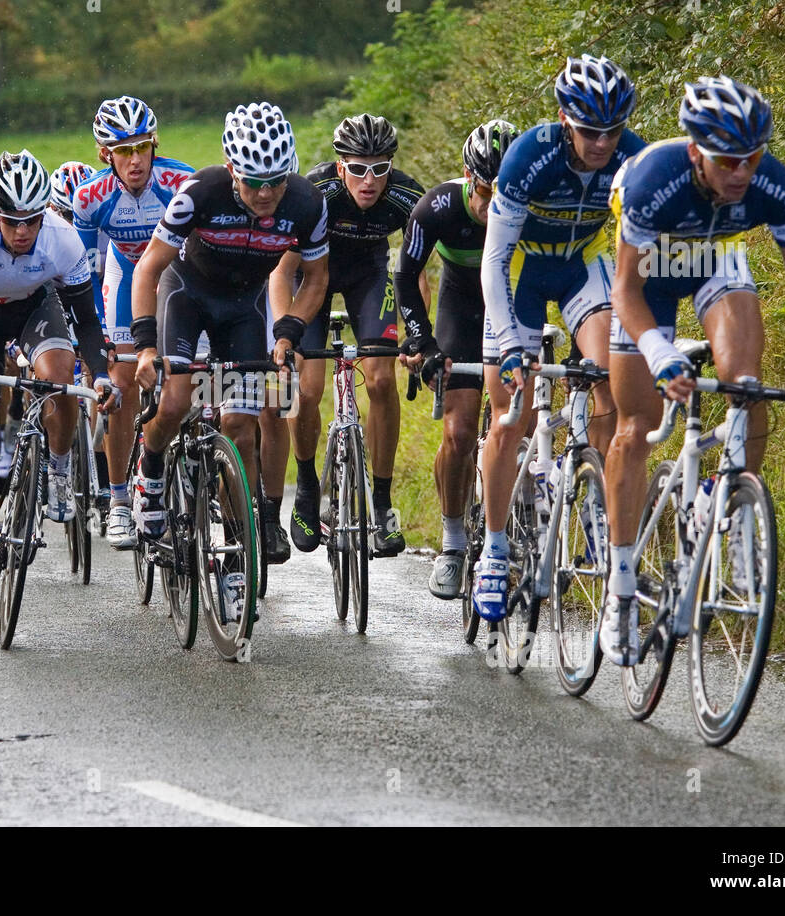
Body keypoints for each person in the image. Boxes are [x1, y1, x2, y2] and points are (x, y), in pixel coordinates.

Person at [600, 75, 785, 665]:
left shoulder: (775, 186)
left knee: (747, 384)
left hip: (717, 259)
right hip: (649, 273)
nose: (741, 173)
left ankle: (731, 505)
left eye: (752, 157)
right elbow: (625, 290)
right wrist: (661, 356)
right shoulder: (651, 180)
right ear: (696, 151)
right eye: (726, 161)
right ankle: (619, 595)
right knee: (635, 427)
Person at [131, 101, 329, 623]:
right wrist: (147, 345)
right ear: (232, 167)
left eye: (276, 182)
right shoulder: (198, 193)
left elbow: (317, 278)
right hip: (187, 294)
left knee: (242, 427)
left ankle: (239, 565)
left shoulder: (307, 204)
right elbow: (150, 267)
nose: (266, 195)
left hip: (244, 308)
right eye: (254, 182)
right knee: (175, 400)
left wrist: (288, 333)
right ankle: (150, 473)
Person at [474, 54, 645, 622]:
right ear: (564, 120)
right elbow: (493, 259)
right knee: (511, 413)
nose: (602, 143)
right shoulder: (529, 156)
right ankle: (494, 553)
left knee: (608, 385)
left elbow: (637, 250)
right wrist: (512, 348)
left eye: (612, 130)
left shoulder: (631, 156)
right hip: (520, 270)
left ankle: (595, 502)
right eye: (590, 130)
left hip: (581, 263)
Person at [0, 149, 115, 605]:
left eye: (31, 220)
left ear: (44, 214)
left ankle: (57, 469)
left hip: (34, 307)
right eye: (12, 221)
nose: (21, 231)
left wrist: (99, 374)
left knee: (59, 378)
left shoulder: (62, 239)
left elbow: (88, 323)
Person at [265, 113, 423, 563]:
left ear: (391, 166)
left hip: (369, 276)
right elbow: (284, 272)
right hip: (311, 277)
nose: (368, 180)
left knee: (379, 380)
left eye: (379, 168)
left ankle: (383, 501)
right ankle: (309, 485)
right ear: (340, 168)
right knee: (307, 389)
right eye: (357, 168)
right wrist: (284, 332)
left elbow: (413, 272)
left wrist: (418, 333)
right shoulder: (315, 195)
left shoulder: (407, 196)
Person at [395, 119, 520, 597]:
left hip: (507, 304)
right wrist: (423, 343)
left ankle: (517, 528)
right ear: (469, 179)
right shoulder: (438, 208)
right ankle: (452, 544)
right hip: (459, 309)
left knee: (519, 426)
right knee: (461, 430)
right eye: (486, 191)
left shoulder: (528, 209)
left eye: (505, 192)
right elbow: (407, 276)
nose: (493, 205)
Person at [72, 96, 196, 550]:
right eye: (122, 151)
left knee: (199, 375)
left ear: (154, 146)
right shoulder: (90, 198)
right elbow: (84, 276)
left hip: (178, 278)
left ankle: (198, 465)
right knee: (120, 382)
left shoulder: (182, 182)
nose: (134, 159)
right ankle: (121, 501)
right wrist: (99, 337)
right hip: (125, 278)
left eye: (141, 147)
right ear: (106, 154)